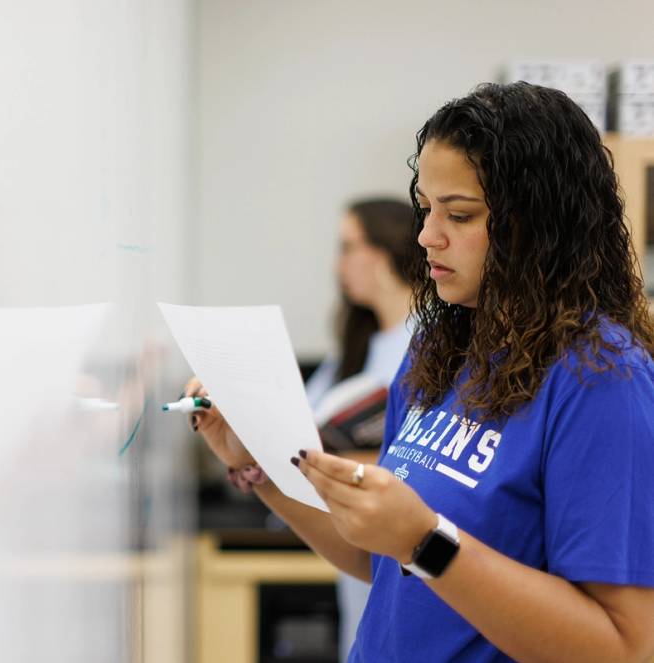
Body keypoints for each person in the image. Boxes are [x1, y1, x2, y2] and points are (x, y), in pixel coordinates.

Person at [187, 82, 654, 662]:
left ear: (537, 225)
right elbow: (379, 556)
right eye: (426, 209)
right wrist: (254, 461)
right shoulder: (440, 348)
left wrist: (426, 540)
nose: (426, 236)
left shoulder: (601, 379)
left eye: (459, 215)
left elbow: (623, 647)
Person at [301, 198, 413, 662]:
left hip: (407, 555)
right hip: (350, 549)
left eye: (348, 247)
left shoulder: (432, 346)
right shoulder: (350, 351)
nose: (338, 264)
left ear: (386, 252)